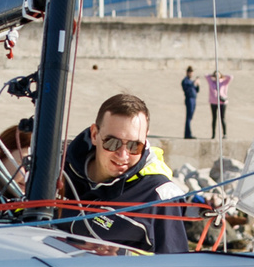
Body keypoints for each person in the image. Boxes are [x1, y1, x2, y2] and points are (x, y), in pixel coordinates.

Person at [56, 93, 189, 254]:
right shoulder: (58, 169)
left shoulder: (161, 197)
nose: (123, 155)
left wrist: (120, 258)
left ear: (145, 140)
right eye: (112, 143)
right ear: (94, 135)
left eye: (134, 146)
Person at [205, 68, 231, 139]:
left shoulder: (223, 82)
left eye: (217, 75)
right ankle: (213, 134)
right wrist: (213, 76)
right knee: (214, 118)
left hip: (222, 102)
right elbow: (206, 76)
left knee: (222, 118)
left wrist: (222, 76)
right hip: (213, 102)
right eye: (215, 75)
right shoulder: (211, 82)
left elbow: (230, 77)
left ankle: (224, 134)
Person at [180, 65, 200, 140]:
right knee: (188, 117)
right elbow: (187, 89)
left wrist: (197, 84)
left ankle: (188, 133)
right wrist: (193, 84)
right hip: (189, 99)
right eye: (190, 72)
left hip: (194, 99)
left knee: (190, 116)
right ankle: (187, 133)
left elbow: (197, 90)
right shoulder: (185, 81)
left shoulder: (191, 81)